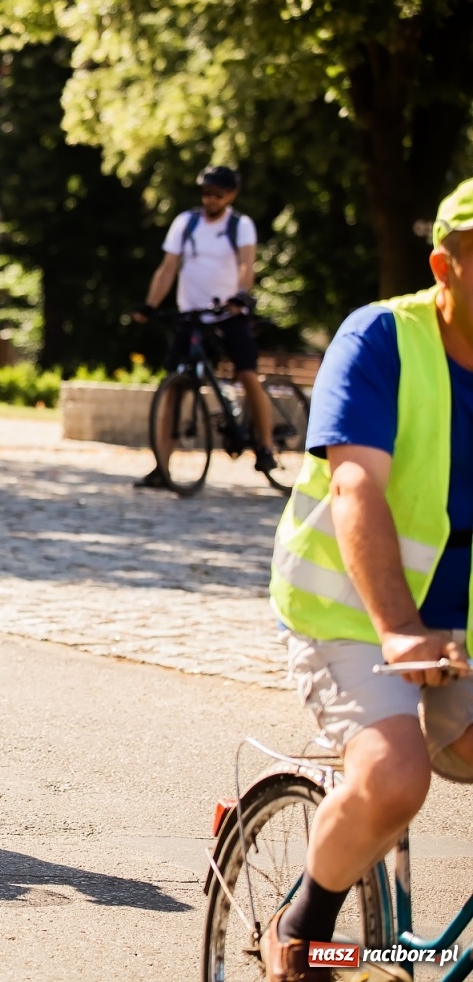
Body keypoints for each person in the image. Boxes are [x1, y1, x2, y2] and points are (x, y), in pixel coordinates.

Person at [258, 178, 473, 981]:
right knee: (392, 775)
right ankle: (305, 928)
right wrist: (398, 629)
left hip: (462, 626)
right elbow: (356, 486)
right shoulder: (380, 338)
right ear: (443, 266)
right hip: (352, 613)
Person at [133, 165, 274, 486]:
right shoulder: (186, 223)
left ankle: (265, 446)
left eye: (217, 195)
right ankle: (162, 466)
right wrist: (150, 305)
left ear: (231, 195)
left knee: (247, 373)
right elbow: (168, 268)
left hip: (228, 313)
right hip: (191, 314)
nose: (210, 199)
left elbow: (246, 264)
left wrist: (240, 296)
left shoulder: (240, 225)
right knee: (174, 385)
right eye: (206, 193)